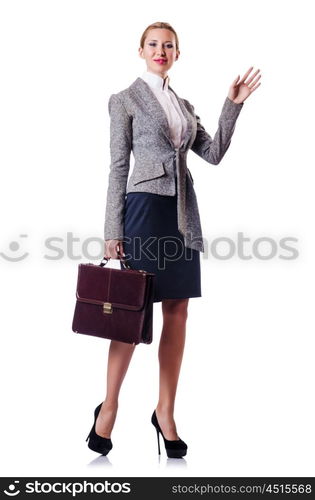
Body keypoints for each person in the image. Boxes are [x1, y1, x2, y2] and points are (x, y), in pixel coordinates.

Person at [86, 21, 261, 457]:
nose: (161, 50)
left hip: (182, 215)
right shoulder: (124, 100)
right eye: (154, 44)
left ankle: (165, 411)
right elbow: (117, 167)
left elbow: (213, 153)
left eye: (169, 45)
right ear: (141, 50)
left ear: (177, 55)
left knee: (178, 310)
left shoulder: (183, 105)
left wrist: (232, 105)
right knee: (132, 311)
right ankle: (109, 407)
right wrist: (112, 230)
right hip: (143, 210)